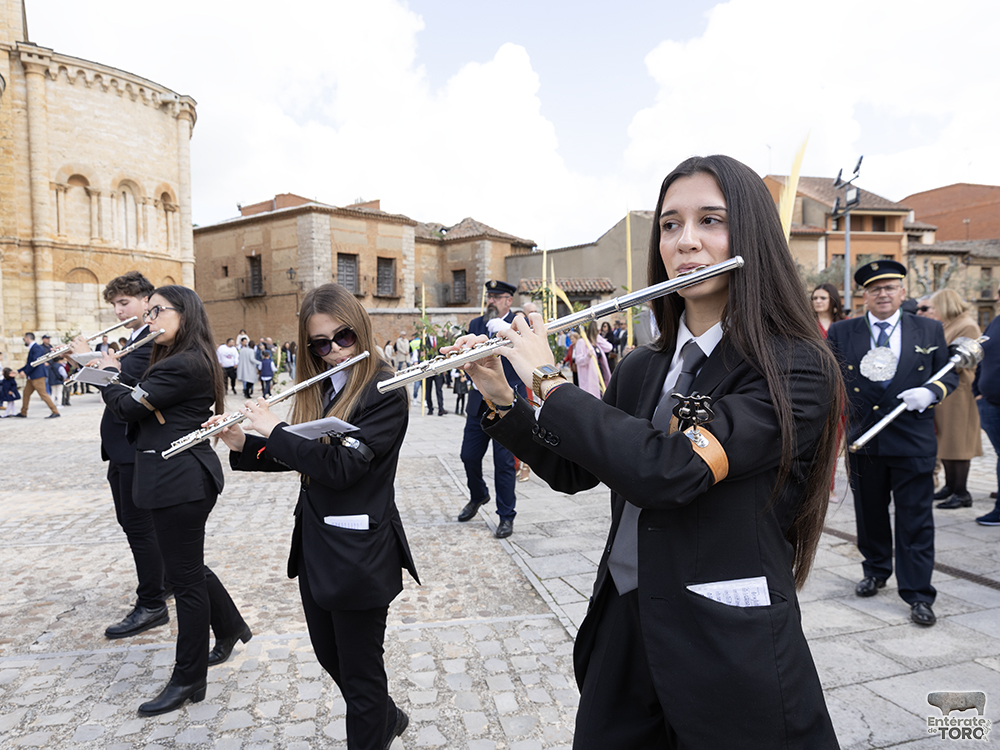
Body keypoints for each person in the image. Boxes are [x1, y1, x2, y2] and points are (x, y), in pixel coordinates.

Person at [448, 155, 842, 748]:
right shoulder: (642, 366)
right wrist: (503, 396)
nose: (687, 242)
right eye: (670, 225)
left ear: (751, 236)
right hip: (625, 624)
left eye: (711, 221)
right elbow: (576, 467)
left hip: (725, 639)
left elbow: (669, 471)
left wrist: (549, 380)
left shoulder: (794, 368)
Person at [211, 283, 417, 750]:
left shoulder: (383, 392)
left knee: (362, 678)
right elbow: (307, 456)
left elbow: (342, 468)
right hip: (318, 549)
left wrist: (275, 428)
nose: (334, 352)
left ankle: (376, 724)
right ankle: (386, 716)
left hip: (361, 553)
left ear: (360, 328)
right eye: (320, 344)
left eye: (343, 337)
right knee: (330, 657)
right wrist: (244, 443)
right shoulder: (327, 385)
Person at [99, 285, 249, 716]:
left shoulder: (185, 363)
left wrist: (109, 373)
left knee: (183, 581)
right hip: (170, 477)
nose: (149, 320)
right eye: (148, 312)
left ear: (184, 314)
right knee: (186, 567)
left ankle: (189, 676)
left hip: (180, 480)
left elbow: (128, 408)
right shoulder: (173, 358)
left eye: (157, 311)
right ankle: (232, 626)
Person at [827, 260, 957, 627]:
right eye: (874, 289)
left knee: (915, 519)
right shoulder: (842, 331)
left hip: (912, 439)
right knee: (869, 514)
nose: (882, 294)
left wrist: (931, 392)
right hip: (864, 439)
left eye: (889, 288)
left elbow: (950, 377)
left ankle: (918, 594)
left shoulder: (929, 329)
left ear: (902, 292)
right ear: (863, 295)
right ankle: (876, 569)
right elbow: (831, 378)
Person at [69, 271, 170, 639]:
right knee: (135, 525)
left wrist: (88, 359)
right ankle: (164, 582)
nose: (117, 310)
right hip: (121, 446)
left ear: (147, 302)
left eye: (123, 302)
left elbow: (126, 384)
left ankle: (152, 603)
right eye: (113, 304)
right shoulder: (135, 338)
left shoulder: (151, 341)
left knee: (139, 528)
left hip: (135, 446)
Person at [456, 280, 527, 539]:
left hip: (507, 405)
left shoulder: (517, 327)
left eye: (497, 297)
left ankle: (506, 516)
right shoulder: (476, 325)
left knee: (504, 464)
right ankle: (478, 495)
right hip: (478, 403)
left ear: (509, 300)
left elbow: (524, 353)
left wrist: (506, 331)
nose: (491, 301)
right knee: (468, 456)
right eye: (489, 296)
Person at [927, 289, 982, 509]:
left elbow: (965, 360)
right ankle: (950, 487)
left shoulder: (966, 325)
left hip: (960, 392)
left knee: (959, 445)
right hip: (947, 392)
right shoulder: (949, 324)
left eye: (934, 307)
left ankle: (961, 492)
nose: (932, 311)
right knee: (947, 443)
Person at [15, 333, 60, 418]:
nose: (24, 340)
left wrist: (25, 372)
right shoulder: (33, 348)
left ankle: (55, 411)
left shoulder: (37, 348)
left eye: (24, 339)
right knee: (26, 393)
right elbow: (29, 364)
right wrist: (18, 371)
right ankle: (23, 412)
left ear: (27, 338)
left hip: (37, 376)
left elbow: (35, 363)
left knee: (43, 394)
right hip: (32, 376)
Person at [573, 321, 613, 398]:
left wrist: (597, 338)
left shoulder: (596, 343)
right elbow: (578, 360)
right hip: (589, 377)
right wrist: (587, 356)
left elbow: (609, 347)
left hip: (600, 374)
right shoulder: (582, 342)